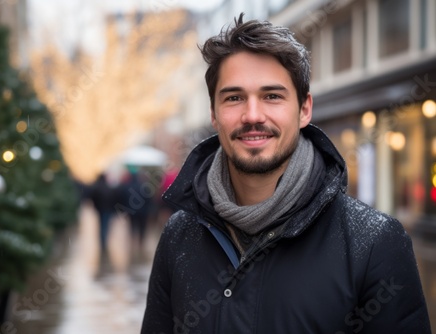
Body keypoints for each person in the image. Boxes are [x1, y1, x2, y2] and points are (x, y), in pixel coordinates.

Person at [141, 13, 431, 333]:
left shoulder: (374, 242)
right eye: (234, 98)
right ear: (213, 113)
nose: (253, 115)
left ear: (305, 109)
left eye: (272, 96)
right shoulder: (179, 236)